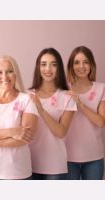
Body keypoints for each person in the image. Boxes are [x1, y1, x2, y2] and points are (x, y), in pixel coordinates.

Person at [29, 48, 77, 180]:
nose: (48, 69)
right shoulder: (27, 95)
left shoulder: (67, 97)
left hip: (54, 166)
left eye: (53, 64)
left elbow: (61, 132)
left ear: (59, 68)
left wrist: (41, 110)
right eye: (43, 64)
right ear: (38, 67)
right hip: (28, 163)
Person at [65, 46, 105, 180]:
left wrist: (80, 104)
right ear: (71, 66)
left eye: (85, 62)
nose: (81, 66)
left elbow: (101, 122)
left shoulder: (101, 88)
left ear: (91, 65)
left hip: (94, 157)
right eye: (76, 62)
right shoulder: (63, 90)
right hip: (67, 156)